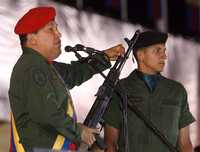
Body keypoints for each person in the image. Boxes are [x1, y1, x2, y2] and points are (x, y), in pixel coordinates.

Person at [9, 6, 125, 152]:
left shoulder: (43, 66)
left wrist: (105, 57)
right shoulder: (32, 68)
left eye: (56, 28)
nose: (59, 34)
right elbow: (47, 111)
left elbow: (73, 73)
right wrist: (79, 131)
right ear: (32, 39)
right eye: (50, 30)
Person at [103, 31, 195, 152]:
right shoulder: (120, 89)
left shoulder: (177, 91)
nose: (164, 56)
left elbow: (185, 143)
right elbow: (110, 143)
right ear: (141, 55)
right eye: (157, 51)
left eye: (164, 51)